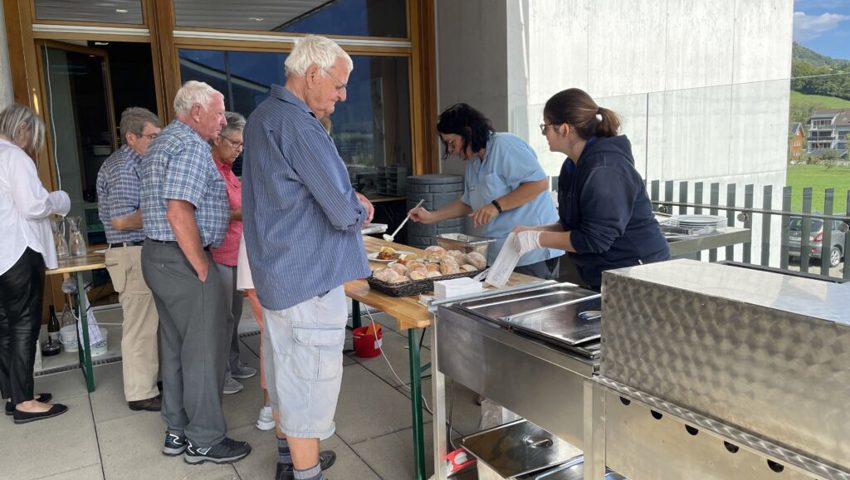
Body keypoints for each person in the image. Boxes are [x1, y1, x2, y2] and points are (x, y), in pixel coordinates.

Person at [242, 34, 373, 480]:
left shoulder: (263, 117)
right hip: (308, 279)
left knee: (286, 374)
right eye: (338, 85)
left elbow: (289, 191)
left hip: (279, 273)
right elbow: (340, 212)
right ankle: (306, 472)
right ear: (312, 74)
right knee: (308, 385)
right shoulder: (299, 124)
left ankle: (288, 459)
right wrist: (360, 207)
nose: (343, 94)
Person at [140, 81, 251, 464]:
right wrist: (202, 263)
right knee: (205, 351)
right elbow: (178, 210)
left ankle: (176, 430)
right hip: (182, 259)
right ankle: (204, 438)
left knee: (175, 348)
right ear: (197, 111)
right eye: (219, 112)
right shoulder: (189, 145)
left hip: (158, 257)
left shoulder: (164, 142)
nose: (223, 121)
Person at [513, 88, 669, 291]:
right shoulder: (572, 166)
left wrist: (536, 239)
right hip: (605, 273)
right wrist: (533, 230)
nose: (544, 134)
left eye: (546, 127)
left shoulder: (605, 167)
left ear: (565, 129)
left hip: (638, 274)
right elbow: (574, 225)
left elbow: (595, 239)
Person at [408, 103, 562, 279]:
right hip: (501, 253)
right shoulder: (474, 161)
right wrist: (431, 216)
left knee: (534, 305)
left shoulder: (505, 145)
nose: (451, 150)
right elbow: (469, 202)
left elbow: (538, 184)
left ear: (468, 132)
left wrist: (495, 206)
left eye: (452, 143)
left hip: (532, 252)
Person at [0, 103, 71, 424]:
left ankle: (13, 394)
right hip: (20, 251)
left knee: (6, 326)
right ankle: (25, 402)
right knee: (24, 325)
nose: (30, 142)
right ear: (23, 128)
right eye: (32, 135)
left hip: (3, 254)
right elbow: (32, 205)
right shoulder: (14, 156)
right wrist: (60, 199)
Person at [96, 107, 162, 412]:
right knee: (140, 324)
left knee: (149, 322)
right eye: (152, 136)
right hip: (130, 249)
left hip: (137, 249)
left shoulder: (140, 162)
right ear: (131, 137)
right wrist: (166, 212)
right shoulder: (124, 166)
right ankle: (140, 392)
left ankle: (148, 381)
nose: (156, 141)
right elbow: (122, 221)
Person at [209, 111, 257, 396]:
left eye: (242, 145)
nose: (239, 150)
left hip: (237, 252)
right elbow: (213, 214)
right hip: (219, 254)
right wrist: (249, 212)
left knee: (234, 315)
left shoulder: (229, 171)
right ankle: (222, 374)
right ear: (218, 138)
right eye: (235, 143)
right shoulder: (211, 170)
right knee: (222, 318)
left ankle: (234, 363)